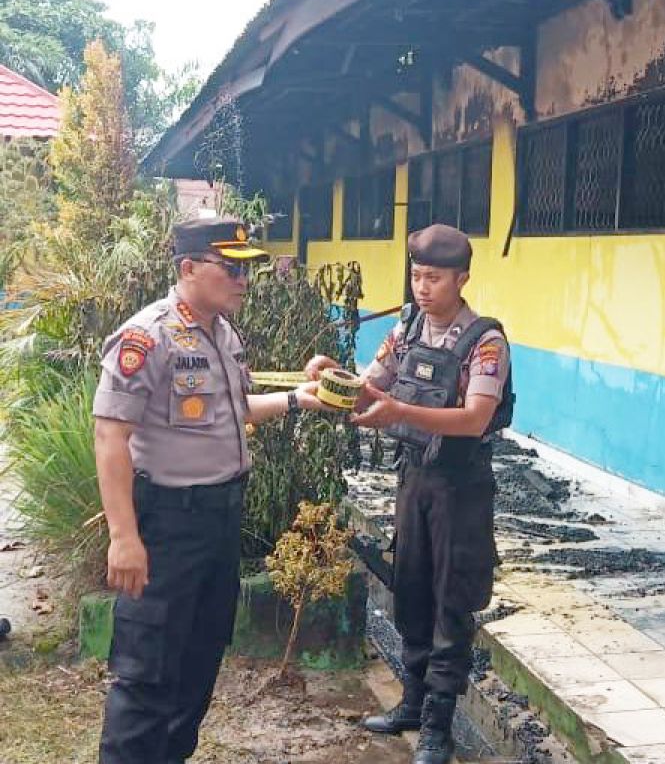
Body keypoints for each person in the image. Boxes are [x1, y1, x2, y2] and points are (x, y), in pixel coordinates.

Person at [93, 217, 329, 763]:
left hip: (219, 523)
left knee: (198, 666)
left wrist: (299, 398)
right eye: (232, 268)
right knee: (146, 676)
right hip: (167, 526)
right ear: (188, 268)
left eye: (247, 267)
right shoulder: (145, 336)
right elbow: (110, 435)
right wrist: (123, 537)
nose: (244, 279)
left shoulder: (223, 332)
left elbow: (236, 412)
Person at [305, 223, 512, 764]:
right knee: (411, 592)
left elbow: (474, 418)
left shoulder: (484, 341)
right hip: (413, 479)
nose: (423, 287)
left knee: (452, 602)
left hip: (460, 490)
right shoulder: (406, 330)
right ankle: (412, 704)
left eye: (435, 278)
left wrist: (399, 411)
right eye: (417, 276)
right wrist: (332, 376)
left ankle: (439, 728)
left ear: (461, 279)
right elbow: (370, 385)